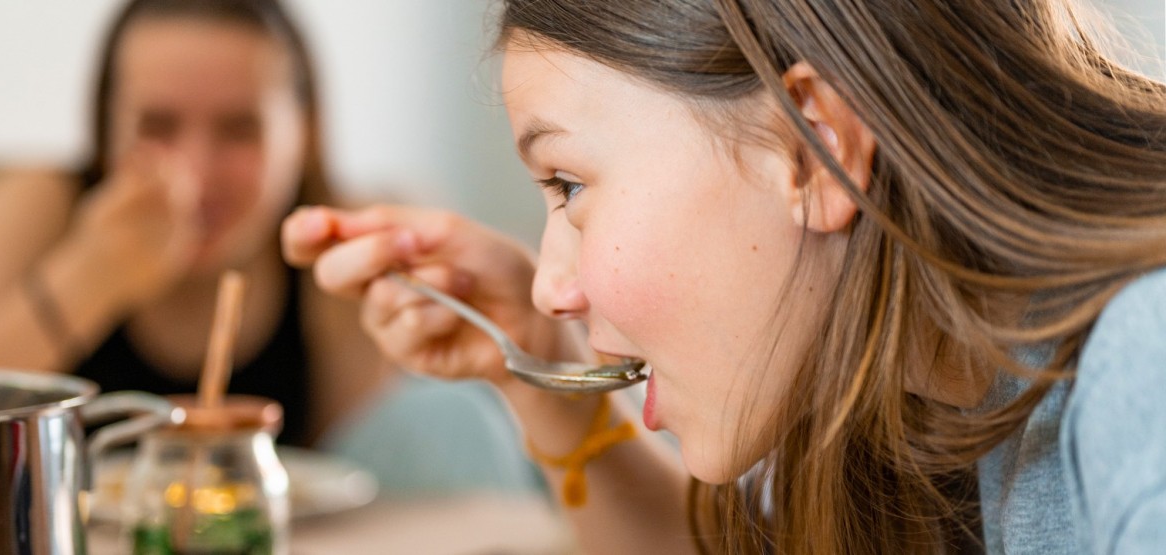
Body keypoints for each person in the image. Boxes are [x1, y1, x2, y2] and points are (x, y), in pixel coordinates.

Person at [282, 0, 1166, 552]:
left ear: (815, 150)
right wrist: (547, 368)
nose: (555, 284)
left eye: (570, 183)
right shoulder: (900, 388)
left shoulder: (1146, 355)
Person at [0, 0, 389, 448]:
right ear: (106, 125)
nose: (196, 174)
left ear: (306, 132)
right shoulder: (42, 206)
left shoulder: (341, 254)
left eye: (240, 129)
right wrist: (88, 278)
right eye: (157, 126)